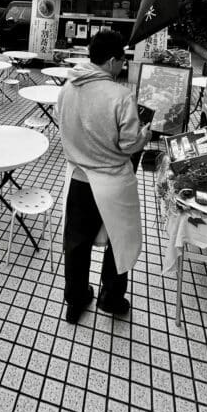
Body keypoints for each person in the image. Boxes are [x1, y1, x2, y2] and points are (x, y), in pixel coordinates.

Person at [57, 30, 152, 324]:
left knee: (75, 243)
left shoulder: (67, 87)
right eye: (122, 61)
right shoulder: (122, 96)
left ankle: (75, 301)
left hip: (78, 177)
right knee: (119, 241)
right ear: (112, 61)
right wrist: (143, 137)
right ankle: (110, 298)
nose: (122, 66)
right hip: (113, 183)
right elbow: (128, 144)